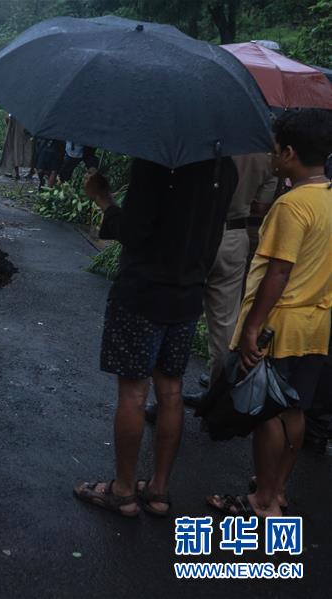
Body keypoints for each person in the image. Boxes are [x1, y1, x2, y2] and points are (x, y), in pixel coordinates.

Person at [73, 156, 238, 517]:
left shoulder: (158, 164)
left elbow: (133, 231)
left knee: (134, 393)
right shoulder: (224, 168)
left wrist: (103, 199)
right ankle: (159, 492)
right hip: (187, 294)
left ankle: (124, 491)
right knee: (171, 391)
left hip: (143, 294)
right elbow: (212, 238)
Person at [207, 109, 332, 517]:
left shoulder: (292, 205)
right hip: (316, 326)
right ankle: (276, 490)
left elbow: (278, 272)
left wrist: (252, 327)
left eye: (276, 150)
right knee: (294, 407)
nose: (272, 157)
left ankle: (261, 502)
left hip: (280, 325)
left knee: (266, 412)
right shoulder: (328, 197)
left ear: (291, 153)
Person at [185, 153, 277, 405]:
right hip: (235, 236)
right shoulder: (265, 151)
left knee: (179, 314)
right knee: (226, 325)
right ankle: (215, 399)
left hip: (196, 231)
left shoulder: (209, 138)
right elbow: (261, 206)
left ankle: (167, 394)